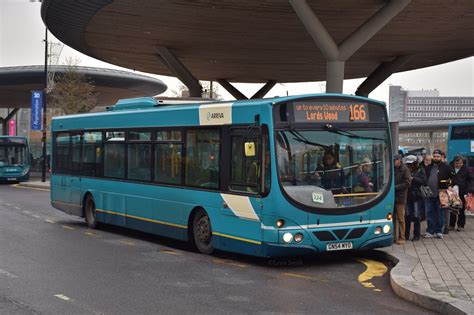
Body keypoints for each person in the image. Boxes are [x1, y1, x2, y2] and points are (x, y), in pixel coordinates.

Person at [423, 149, 454, 239]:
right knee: (429, 213)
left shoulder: (446, 167)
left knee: (440, 213)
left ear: (441, 157)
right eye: (435, 156)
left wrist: (450, 185)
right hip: (429, 194)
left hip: (441, 194)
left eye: (438, 156)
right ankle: (430, 231)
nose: (436, 158)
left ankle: (439, 231)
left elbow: (453, 178)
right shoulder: (429, 167)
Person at [405, 155, 426, 241]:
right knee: (407, 216)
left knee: (417, 216)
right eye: (408, 164)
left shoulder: (420, 170)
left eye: (411, 163)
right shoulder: (406, 170)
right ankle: (406, 234)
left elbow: (424, 181)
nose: (409, 165)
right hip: (407, 195)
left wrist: (414, 179)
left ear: (415, 162)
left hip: (416, 196)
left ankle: (416, 235)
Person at [449, 155, 471, 231]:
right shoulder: (450, 167)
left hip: (462, 190)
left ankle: (460, 225)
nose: (458, 165)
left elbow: (470, 180)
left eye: (460, 163)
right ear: (454, 162)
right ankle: (451, 224)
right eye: (457, 163)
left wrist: (469, 190)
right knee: (452, 208)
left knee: (461, 209)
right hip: (452, 191)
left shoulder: (466, 169)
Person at [393, 154, 411, 245]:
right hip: (391, 197)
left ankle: (402, 237)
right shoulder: (392, 168)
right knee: (392, 219)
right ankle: (393, 237)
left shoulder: (405, 169)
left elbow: (407, 183)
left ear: (399, 160)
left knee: (400, 218)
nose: (394, 162)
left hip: (400, 197)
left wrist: (395, 187)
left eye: (395, 160)